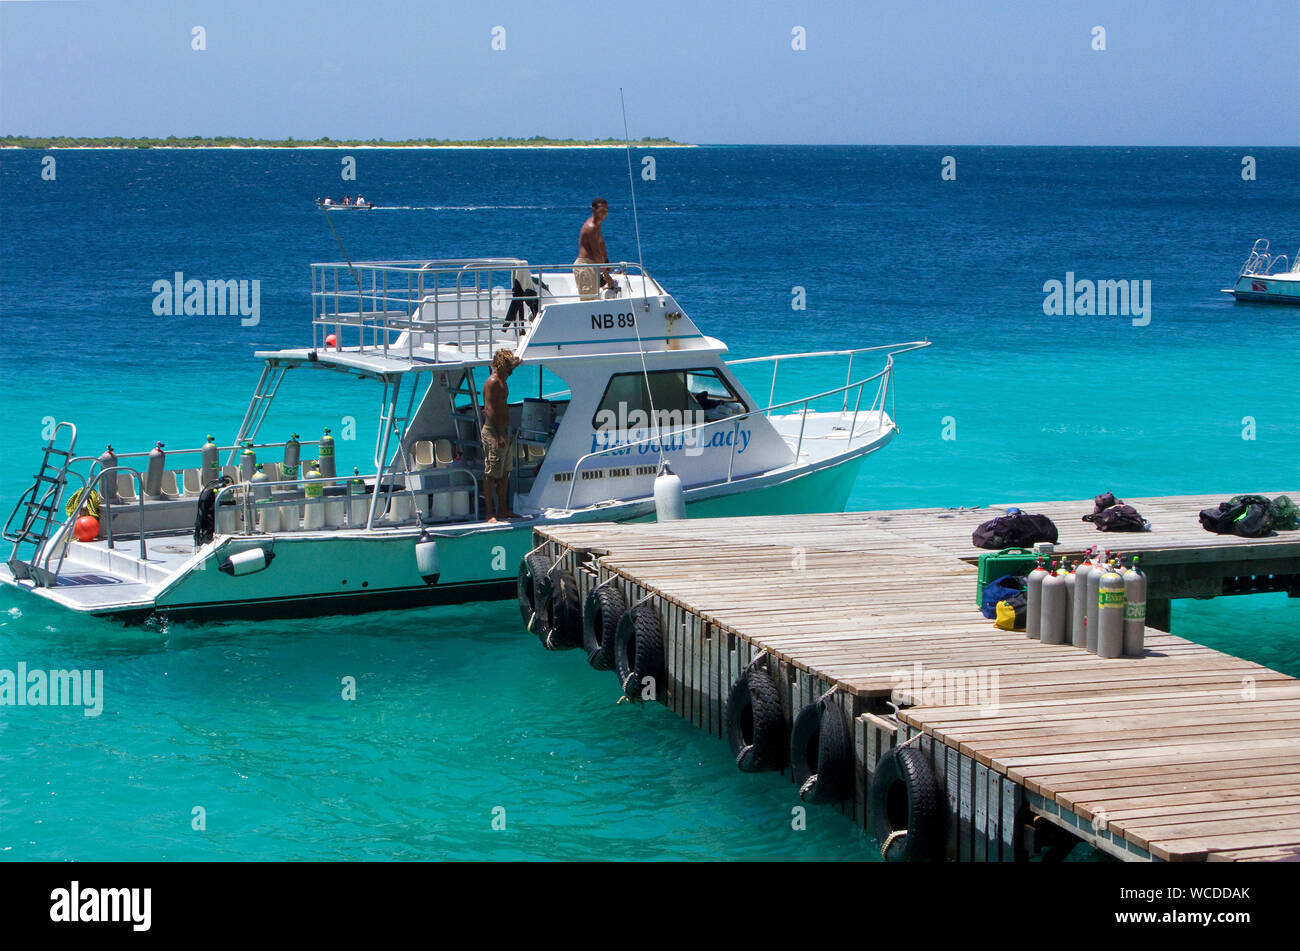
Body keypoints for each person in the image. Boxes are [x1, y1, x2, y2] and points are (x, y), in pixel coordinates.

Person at [481, 349, 522, 521]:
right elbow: (489, 410)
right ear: (500, 364)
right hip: (493, 432)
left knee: (505, 473)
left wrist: (516, 362)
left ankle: (503, 509)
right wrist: (498, 436)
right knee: (491, 474)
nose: (509, 369)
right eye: (507, 364)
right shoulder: (492, 382)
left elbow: (511, 369)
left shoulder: (502, 379)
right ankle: (489, 512)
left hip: (504, 431)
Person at [573, 197, 615, 300]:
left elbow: (601, 243)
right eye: (602, 211)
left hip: (592, 265)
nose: (604, 213)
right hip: (585, 266)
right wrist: (606, 276)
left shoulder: (598, 224)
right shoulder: (591, 227)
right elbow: (596, 253)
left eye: (606, 211)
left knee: (593, 299)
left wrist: (606, 261)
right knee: (588, 301)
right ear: (594, 210)